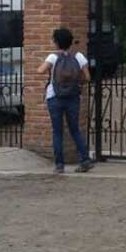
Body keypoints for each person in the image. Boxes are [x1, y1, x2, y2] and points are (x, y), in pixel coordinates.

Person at [38, 27, 94, 174]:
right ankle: (85, 160)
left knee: (57, 132)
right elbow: (88, 78)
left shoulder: (53, 57)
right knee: (75, 129)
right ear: (70, 42)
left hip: (54, 97)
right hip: (73, 97)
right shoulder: (79, 56)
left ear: (56, 42)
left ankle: (59, 165)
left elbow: (40, 70)